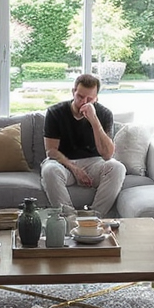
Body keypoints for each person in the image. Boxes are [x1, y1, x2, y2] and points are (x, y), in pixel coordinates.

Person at [41, 73, 126, 216]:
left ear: (96, 98)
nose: (84, 102)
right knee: (49, 170)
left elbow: (107, 155)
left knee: (118, 167)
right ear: (73, 92)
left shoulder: (104, 114)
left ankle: (94, 217)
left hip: (94, 163)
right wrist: (75, 169)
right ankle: (69, 217)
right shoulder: (55, 112)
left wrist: (94, 120)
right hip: (63, 164)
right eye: (80, 96)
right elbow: (51, 151)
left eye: (89, 99)